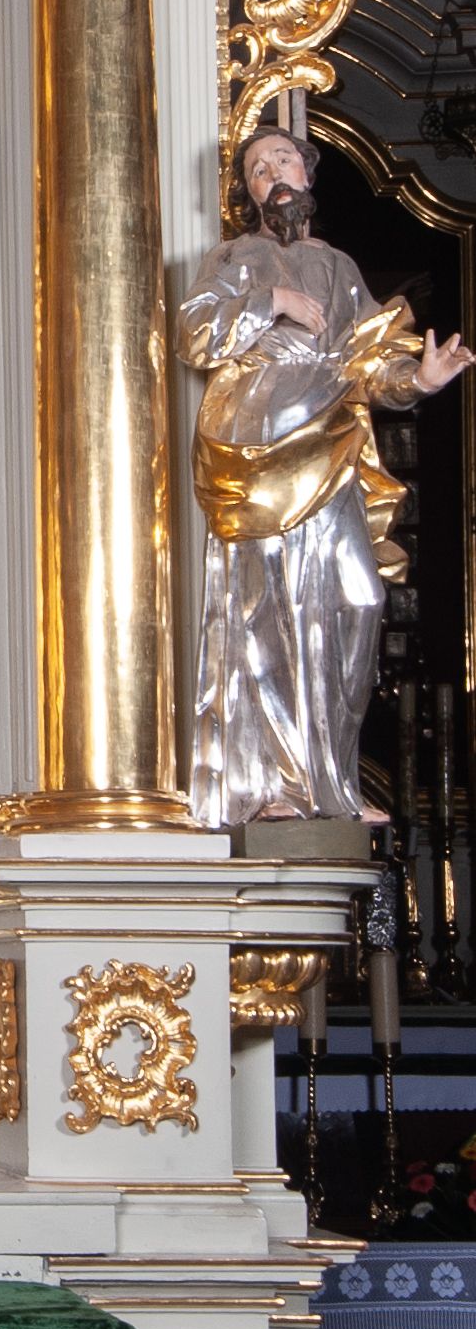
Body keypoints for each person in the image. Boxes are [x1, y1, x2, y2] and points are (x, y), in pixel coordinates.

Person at [180, 125, 470, 824]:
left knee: (354, 600)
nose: (272, 174)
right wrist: (272, 301)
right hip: (259, 452)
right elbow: (194, 334)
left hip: (331, 443)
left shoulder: (338, 266)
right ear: (249, 193)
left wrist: (418, 379)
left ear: (307, 177)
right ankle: (277, 786)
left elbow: (369, 363)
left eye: (283, 160)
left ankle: (328, 778)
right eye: (258, 168)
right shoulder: (235, 256)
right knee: (270, 612)